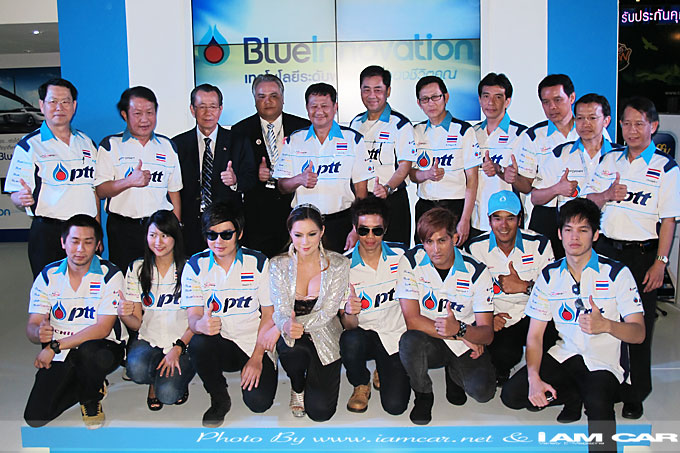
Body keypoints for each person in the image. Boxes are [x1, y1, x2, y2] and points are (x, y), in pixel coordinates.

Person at [501, 198, 645, 453]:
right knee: (513, 395)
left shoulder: (617, 273)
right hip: (566, 354)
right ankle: (574, 395)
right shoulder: (549, 275)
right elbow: (534, 336)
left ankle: (598, 395)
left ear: (596, 235)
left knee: (599, 413)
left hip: (604, 363)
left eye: (583, 230)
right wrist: (534, 378)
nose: (574, 237)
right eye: (568, 230)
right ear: (560, 234)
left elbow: (639, 333)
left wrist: (607, 325)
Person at [585, 96, 680, 420]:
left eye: (639, 123)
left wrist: (660, 263)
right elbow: (590, 201)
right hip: (606, 252)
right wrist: (607, 195)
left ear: (653, 126)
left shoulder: (666, 168)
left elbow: (669, 221)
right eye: (627, 123)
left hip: (643, 256)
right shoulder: (609, 159)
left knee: (638, 326)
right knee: (604, 319)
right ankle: (605, 384)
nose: (632, 130)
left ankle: (636, 393)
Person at [23, 215, 125, 429]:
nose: (80, 249)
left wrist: (53, 346)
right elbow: (33, 324)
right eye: (75, 241)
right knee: (35, 417)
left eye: (88, 242)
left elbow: (102, 328)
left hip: (100, 347)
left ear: (98, 245)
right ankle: (89, 382)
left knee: (90, 354)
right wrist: (37, 332)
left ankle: (90, 398)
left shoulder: (110, 274)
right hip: (62, 352)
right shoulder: (48, 275)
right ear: (63, 242)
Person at [181, 201, 276, 427]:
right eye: (211, 235)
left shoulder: (259, 263)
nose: (219, 242)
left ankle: (255, 367)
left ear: (239, 233)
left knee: (259, 403)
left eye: (226, 234)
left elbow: (269, 314)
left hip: (253, 343)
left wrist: (257, 357)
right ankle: (219, 397)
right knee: (198, 344)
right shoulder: (194, 266)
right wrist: (200, 325)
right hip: (219, 342)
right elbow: (193, 317)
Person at [396, 207, 495, 425]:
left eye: (442, 240)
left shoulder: (477, 271)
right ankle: (423, 394)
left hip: (463, 340)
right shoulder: (410, 261)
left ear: (455, 238)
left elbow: (487, 334)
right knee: (409, 342)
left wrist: (461, 330)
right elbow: (412, 320)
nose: (435, 249)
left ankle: (454, 374)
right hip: (433, 337)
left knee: (484, 393)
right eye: (428, 242)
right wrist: (457, 334)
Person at [4, 78, 99, 278]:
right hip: (48, 232)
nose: (59, 107)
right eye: (53, 101)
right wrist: (20, 199)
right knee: (50, 290)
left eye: (65, 102)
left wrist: (97, 231)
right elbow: (16, 195)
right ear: (42, 105)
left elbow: (93, 190)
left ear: (74, 105)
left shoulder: (87, 143)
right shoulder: (30, 145)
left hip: (85, 231)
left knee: (87, 289)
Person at [267, 204, 350, 421]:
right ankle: (297, 386)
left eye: (312, 234)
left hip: (325, 333)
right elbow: (280, 310)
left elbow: (328, 312)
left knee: (321, 413)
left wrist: (285, 326)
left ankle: (313, 378)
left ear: (322, 232)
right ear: (290, 234)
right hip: (293, 337)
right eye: (298, 235)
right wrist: (284, 325)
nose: (305, 242)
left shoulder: (339, 264)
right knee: (290, 349)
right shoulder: (277, 265)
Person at [464, 190, 555, 386]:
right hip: (499, 316)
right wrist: (487, 318)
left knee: (555, 339)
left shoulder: (539, 244)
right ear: (489, 221)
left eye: (510, 218)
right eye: (497, 218)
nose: (503, 225)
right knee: (502, 356)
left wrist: (524, 286)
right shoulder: (474, 248)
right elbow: (466, 294)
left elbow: (554, 293)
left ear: (520, 220)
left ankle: (540, 372)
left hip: (534, 313)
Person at [273, 83, 374, 253]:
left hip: (341, 223)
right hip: (304, 224)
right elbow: (282, 186)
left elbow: (361, 191)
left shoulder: (353, 140)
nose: (319, 111)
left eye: (324, 106)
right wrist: (299, 179)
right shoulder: (293, 140)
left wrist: (356, 228)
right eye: (314, 106)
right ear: (307, 108)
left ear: (335, 107)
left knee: (341, 269)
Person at [96, 86, 182, 272]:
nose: (145, 119)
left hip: (159, 229)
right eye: (137, 113)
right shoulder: (111, 145)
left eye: (150, 112)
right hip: (123, 229)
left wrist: (175, 228)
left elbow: (174, 191)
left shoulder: (168, 146)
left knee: (161, 278)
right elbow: (101, 191)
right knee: (124, 278)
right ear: (125, 115)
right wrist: (129, 181)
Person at [118, 210, 195, 411]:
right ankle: (156, 380)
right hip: (149, 339)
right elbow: (136, 324)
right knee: (135, 369)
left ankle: (179, 377)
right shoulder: (137, 268)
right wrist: (123, 314)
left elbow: (197, 321)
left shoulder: (190, 268)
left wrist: (178, 348)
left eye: (164, 235)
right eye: (152, 235)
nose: (158, 242)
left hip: (183, 342)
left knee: (168, 394)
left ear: (175, 237)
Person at [340, 195, 410, 415]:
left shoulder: (402, 256)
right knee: (349, 340)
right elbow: (349, 325)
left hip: (395, 335)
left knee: (395, 407)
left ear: (385, 229)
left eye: (376, 230)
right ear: (355, 229)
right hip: (364, 334)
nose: (370, 237)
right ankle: (361, 383)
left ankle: (383, 367)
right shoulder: (344, 265)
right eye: (363, 230)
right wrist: (349, 312)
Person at [528, 93, 617, 258]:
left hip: (608, 238)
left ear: (606, 121)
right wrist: (557, 189)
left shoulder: (620, 157)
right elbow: (535, 198)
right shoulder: (561, 153)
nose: (586, 124)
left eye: (592, 118)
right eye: (580, 118)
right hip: (571, 239)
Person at [231, 74, 311, 257]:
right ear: (254, 99)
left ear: (283, 98)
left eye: (274, 96)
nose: (268, 101)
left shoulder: (303, 127)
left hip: (296, 209)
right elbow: (238, 176)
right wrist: (254, 174)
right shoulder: (240, 131)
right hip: (257, 216)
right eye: (262, 96)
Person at [173, 84, 257, 256]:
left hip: (226, 227)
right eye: (201, 107)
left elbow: (251, 178)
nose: (207, 112)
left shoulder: (238, 141)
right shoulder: (178, 144)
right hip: (191, 227)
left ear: (220, 109)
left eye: (212, 107)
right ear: (192, 109)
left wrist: (235, 181)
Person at [410, 76, 481, 246]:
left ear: (446, 97)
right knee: (423, 256)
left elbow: (472, 179)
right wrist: (426, 174)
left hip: (454, 207)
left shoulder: (464, 131)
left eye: (435, 97)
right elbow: (411, 174)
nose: (431, 103)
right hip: (425, 207)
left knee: (455, 256)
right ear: (419, 103)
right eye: (425, 99)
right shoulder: (416, 131)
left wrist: (465, 219)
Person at [349, 65, 416, 245]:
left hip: (392, 201)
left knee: (396, 253)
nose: (372, 95)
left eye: (378, 90)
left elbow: (405, 166)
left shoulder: (400, 124)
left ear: (388, 91)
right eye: (366, 90)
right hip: (363, 201)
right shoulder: (355, 123)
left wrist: (387, 188)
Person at [474, 73, 527, 231]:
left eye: (498, 97)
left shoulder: (522, 134)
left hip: (508, 220)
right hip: (476, 220)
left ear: (507, 101)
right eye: (486, 96)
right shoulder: (471, 133)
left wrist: (500, 170)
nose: (491, 102)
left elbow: (527, 182)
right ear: (480, 99)